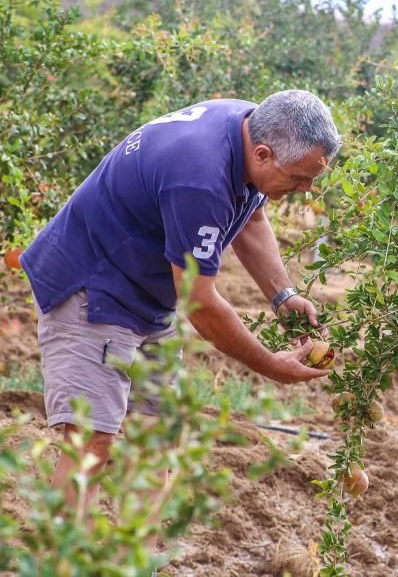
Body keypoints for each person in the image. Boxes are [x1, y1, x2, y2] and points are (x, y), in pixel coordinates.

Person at [20, 89, 339, 507]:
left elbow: (252, 215)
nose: (307, 189)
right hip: (92, 286)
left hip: (149, 296)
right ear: (262, 154)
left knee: (155, 441)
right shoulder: (199, 177)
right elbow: (200, 305)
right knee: (92, 445)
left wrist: (283, 294)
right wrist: (268, 364)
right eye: (299, 178)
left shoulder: (249, 124)